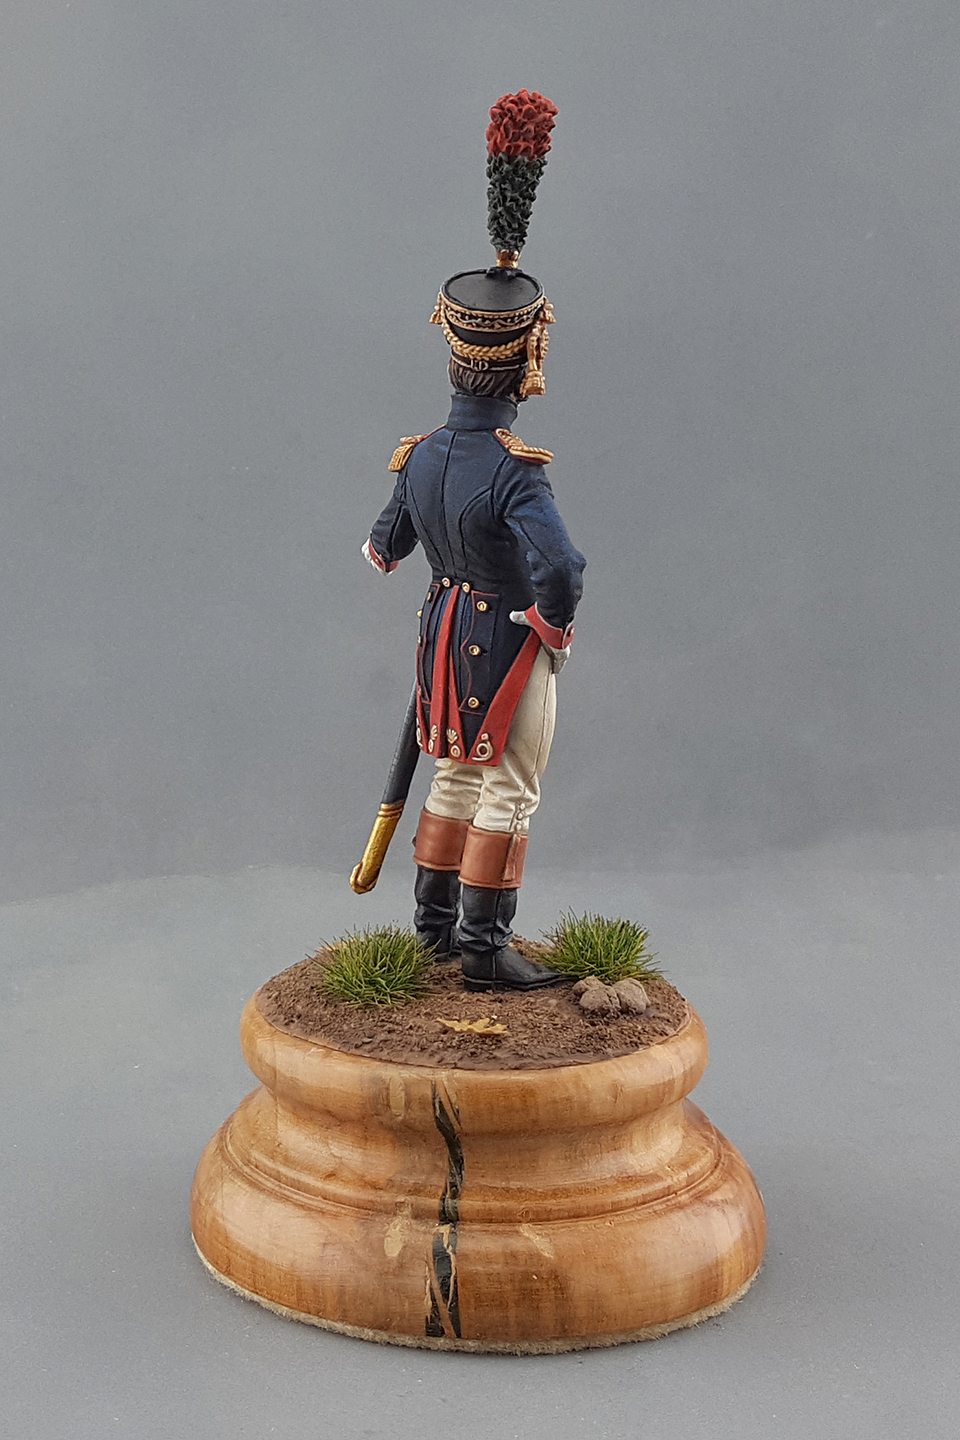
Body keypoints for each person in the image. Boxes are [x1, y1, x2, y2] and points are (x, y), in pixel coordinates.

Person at [362, 92, 586, 992]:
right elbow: (560, 566)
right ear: (525, 361)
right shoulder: (517, 472)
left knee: (452, 776)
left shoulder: (417, 455)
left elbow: (383, 548)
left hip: (441, 637)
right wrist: (551, 625)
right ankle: (487, 949)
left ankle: (432, 930)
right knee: (510, 788)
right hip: (506, 640)